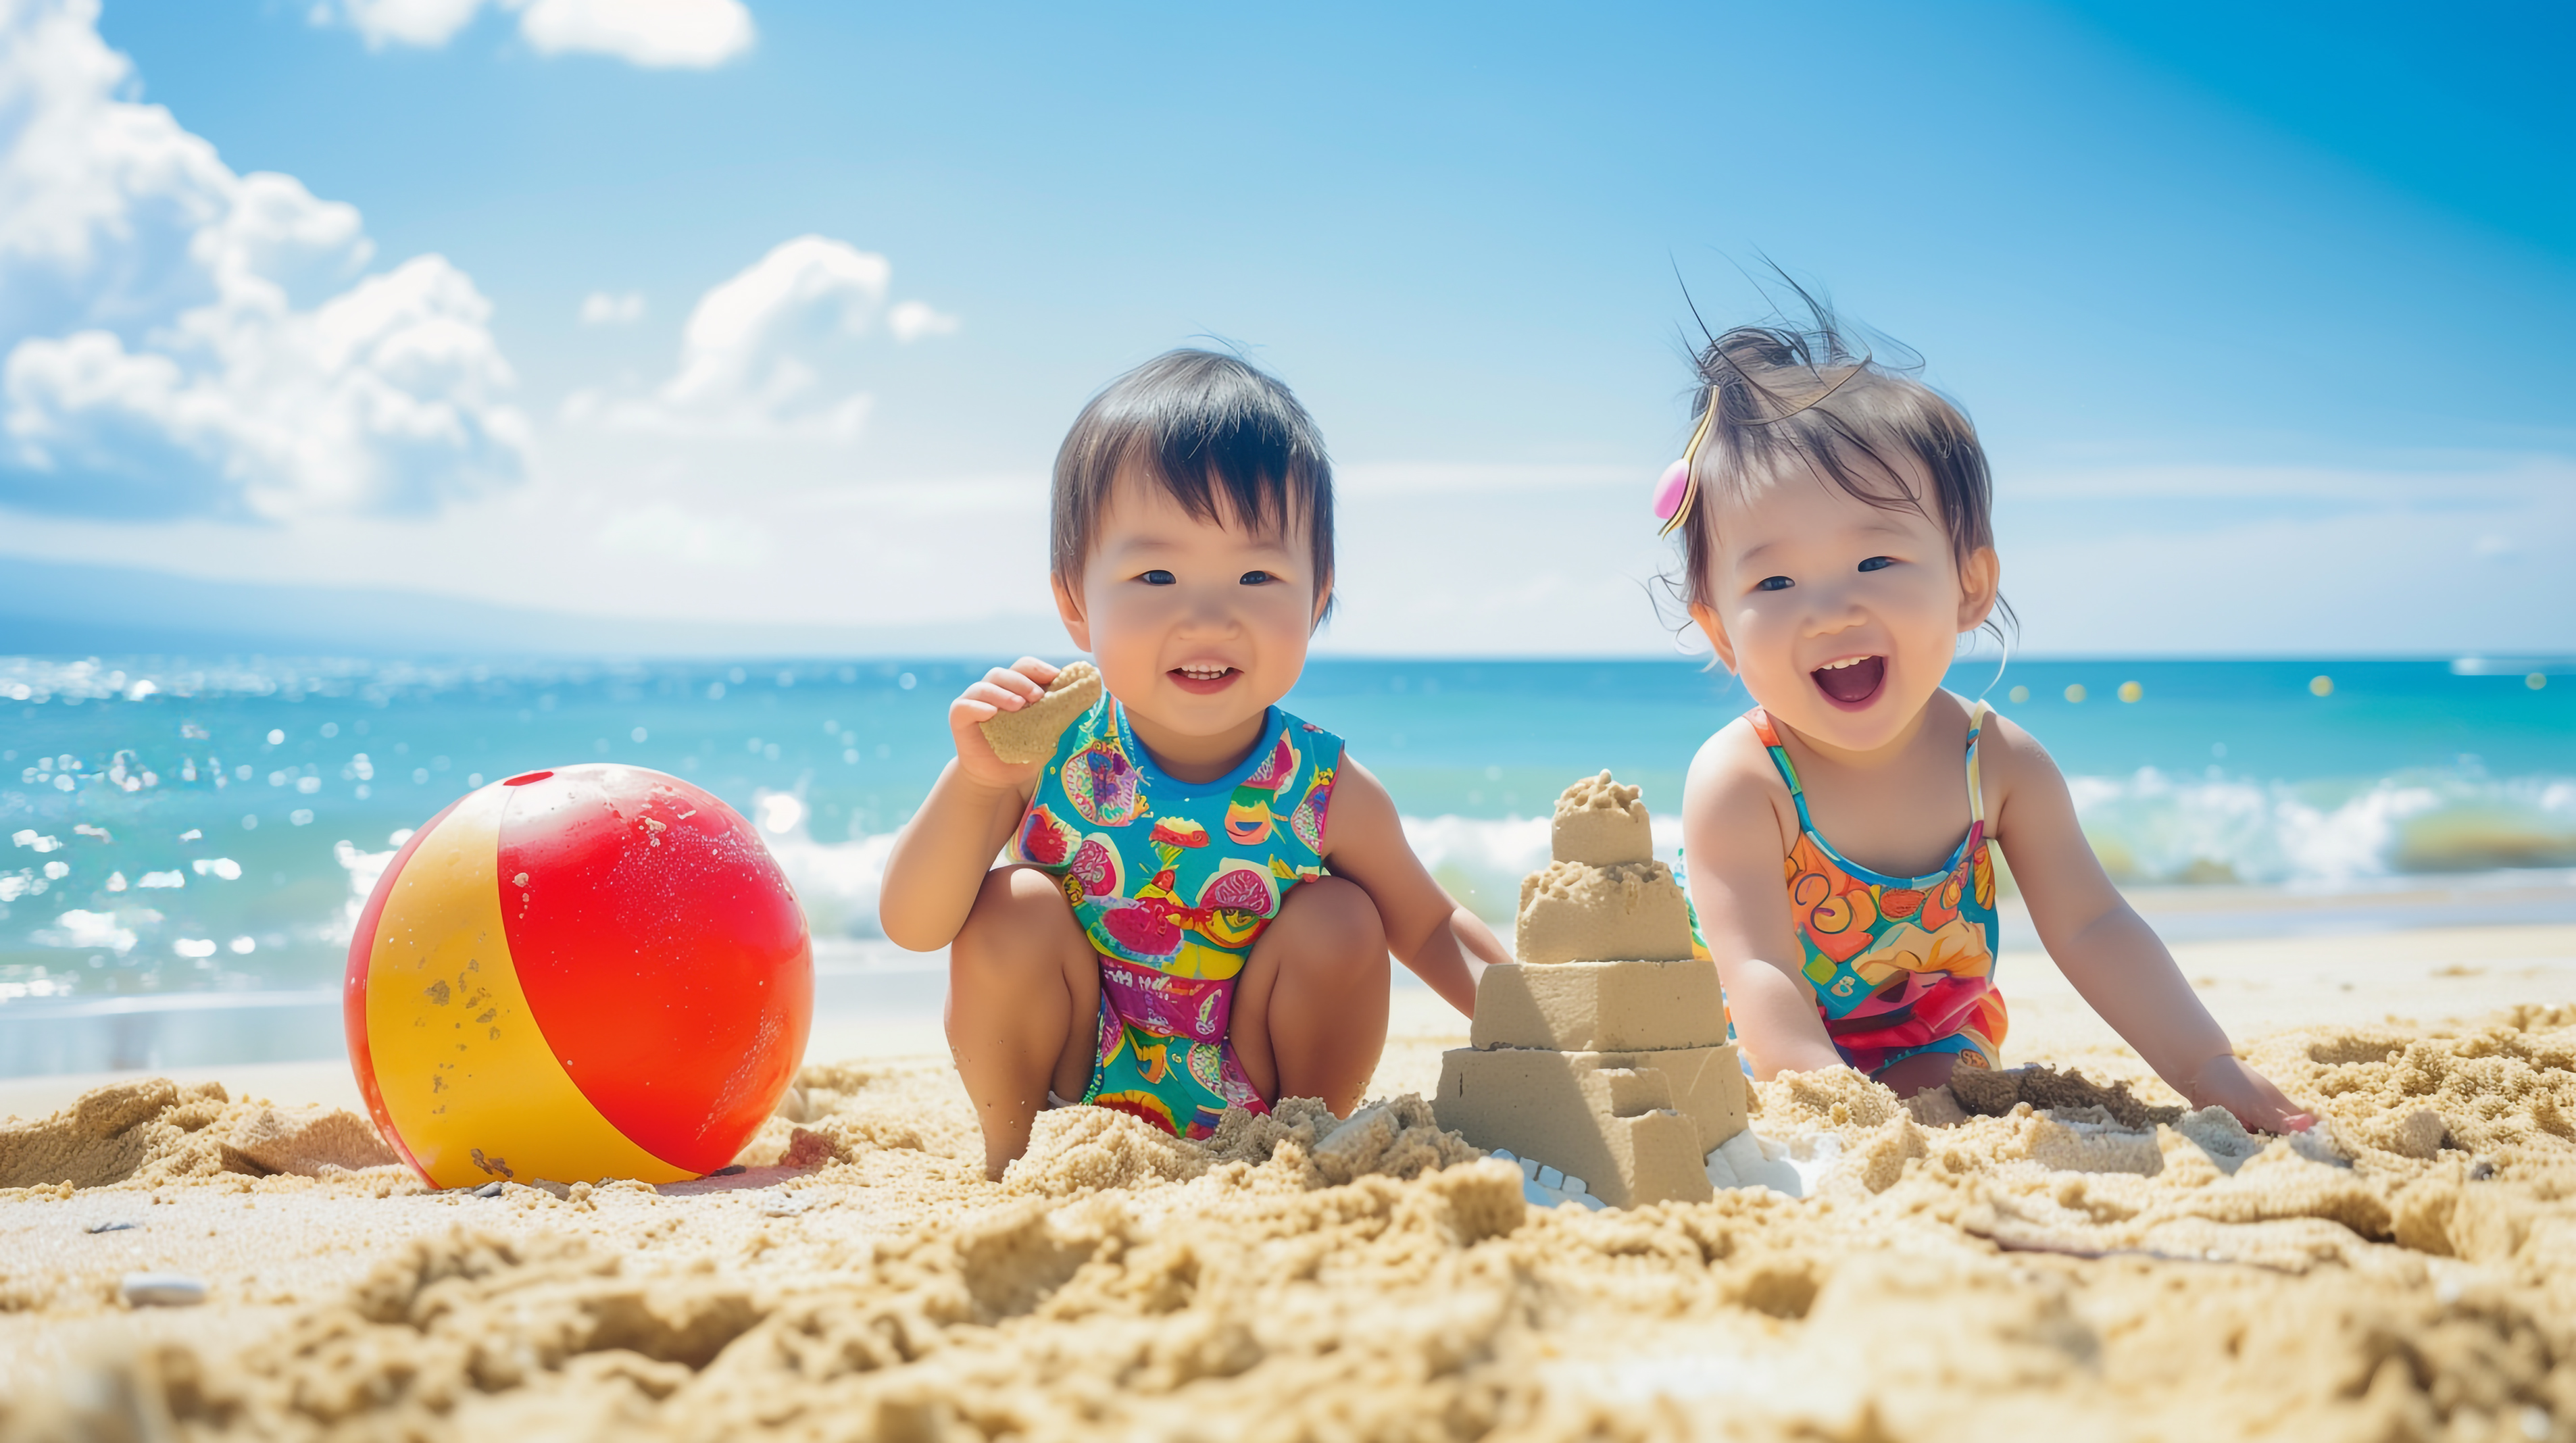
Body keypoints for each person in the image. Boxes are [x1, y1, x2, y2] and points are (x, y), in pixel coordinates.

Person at [1660, 299, 2312, 1132]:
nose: (1829, 611)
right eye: (1774, 583)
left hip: (1924, 1037)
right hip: (1747, 1038)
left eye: (1874, 559)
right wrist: (1826, 1098)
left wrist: (2207, 1067)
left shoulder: (1995, 763)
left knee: (1948, 1090)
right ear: (1717, 628)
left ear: (1968, 586)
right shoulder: (1743, 778)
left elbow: (2093, 924)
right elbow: (1755, 969)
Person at [881, 349, 1508, 1177]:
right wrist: (978, 782)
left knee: (1346, 918)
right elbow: (913, 924)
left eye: (1256, 574)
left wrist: (1544, 1024)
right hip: (1075, 1073)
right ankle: (1014, 1157)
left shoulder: (1321, 786)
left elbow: (1427, 926)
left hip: (1256, 1086)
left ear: (1317, 598)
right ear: (1075, 602)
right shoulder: (1044, 747)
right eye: (1155, 574)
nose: (1207, 616)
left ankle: (1303, 1146)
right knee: (1010, 906)